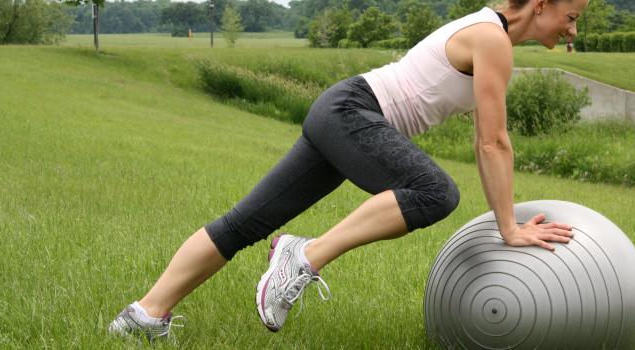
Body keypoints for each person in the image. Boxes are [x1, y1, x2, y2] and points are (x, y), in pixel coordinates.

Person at [108, 0, 587, 341]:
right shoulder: (492, 39)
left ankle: (144, 315)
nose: (572, 31)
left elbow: (488, 142)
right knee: (433, 192)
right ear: (541, 5)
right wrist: (509, 228)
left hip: (342, 111)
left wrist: (507, 223)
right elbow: (492, 141)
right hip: (352, 112)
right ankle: (303, 255)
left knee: (246, 222)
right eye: (571, 18)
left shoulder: (488, 31)